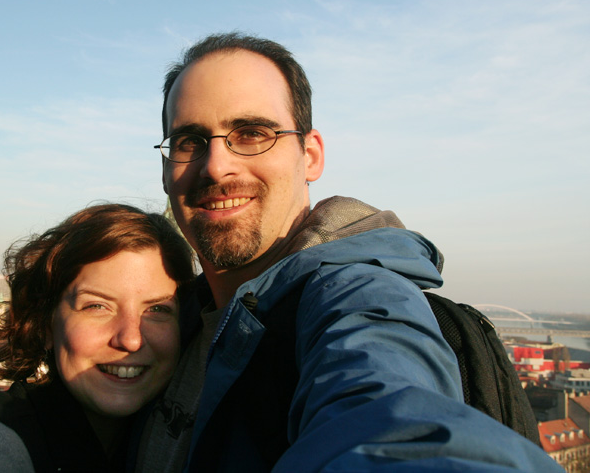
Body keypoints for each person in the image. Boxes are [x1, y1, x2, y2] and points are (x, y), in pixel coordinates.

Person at [137, 33, 560, 471]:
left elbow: (387, 412)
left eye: (251, 133)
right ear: (166, 170)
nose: (216, 166)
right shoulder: (174, 323)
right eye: (189, 141)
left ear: (311, 155)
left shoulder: (356, 296)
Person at [0, 204, 195, 472]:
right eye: (96, 306)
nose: (130, 339)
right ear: (45, 325)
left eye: (157, 309)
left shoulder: (173, 437)